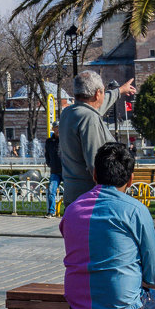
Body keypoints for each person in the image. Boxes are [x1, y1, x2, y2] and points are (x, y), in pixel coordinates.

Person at [61, 142, 155, 309]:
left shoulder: (72, 210)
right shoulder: (135, 210)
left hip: (78, 307)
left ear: (94, 174)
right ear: (131, 179)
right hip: (122, 308)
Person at [58, 70, 137, 207]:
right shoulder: (89, 119)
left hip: (73, 194)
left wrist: (119, 91)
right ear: (97, 94)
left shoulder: (69, 113)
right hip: (91, 200)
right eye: (103, 91)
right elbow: (96, 164)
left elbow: (97, 105)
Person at [44, 122, 62, 217]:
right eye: (56, 127)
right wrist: (49, 163)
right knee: (51, 191)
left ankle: (69, 211)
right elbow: (47, 154)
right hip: (54, 171)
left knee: (69, 192)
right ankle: (51, 211)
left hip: (66, 170)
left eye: (60, 127)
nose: (58, 129)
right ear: (53, 129)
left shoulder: (66, 140)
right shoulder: (49, 141)